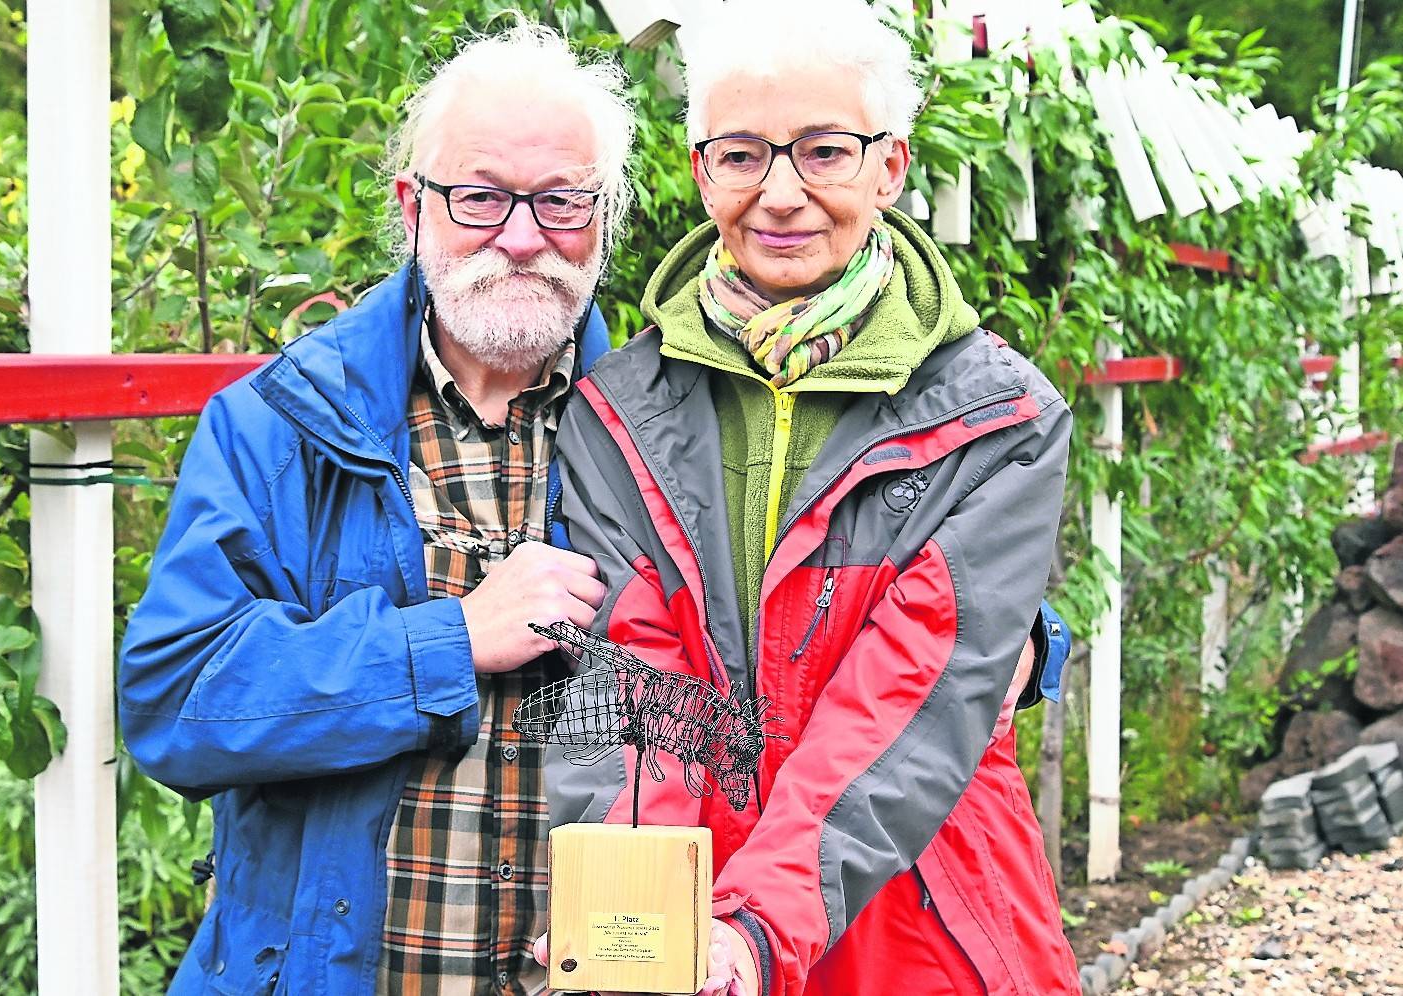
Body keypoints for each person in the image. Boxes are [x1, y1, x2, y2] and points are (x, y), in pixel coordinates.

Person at [543, 1, 1081, 993]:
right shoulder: (612, 414)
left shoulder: (999, 419)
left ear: (891, 167)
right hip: (702, 919)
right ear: (700, 168)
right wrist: (632, 929)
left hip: (921, 913)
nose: (779, 194)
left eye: (824, 151)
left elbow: (914, 696)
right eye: (741, 155)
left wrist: (754, 923)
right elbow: (629, 681)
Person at [118, 21, 637, 995]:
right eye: (480, 198)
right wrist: (445, 644)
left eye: (561, 201)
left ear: (602, 215)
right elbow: (177, 701)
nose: (522, 238)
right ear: (414, 207)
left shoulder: (662, 434)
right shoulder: (281, 424)